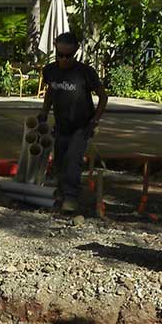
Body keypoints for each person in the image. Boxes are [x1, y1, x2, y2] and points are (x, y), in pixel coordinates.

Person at [36, 31, 107, 213]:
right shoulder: (50, 70)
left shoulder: (85, 73)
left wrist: (94, 121)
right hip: (61, 125)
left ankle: (71, 198)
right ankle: (59, 195)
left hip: (81, 126)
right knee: (60, 161)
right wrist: (44, 112)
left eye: (69, 56)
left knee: (73, 160)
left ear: (75, 51)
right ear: (56, 50)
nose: (64, 59)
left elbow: (103, 97)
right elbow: (51, 92)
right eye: (60, 55)